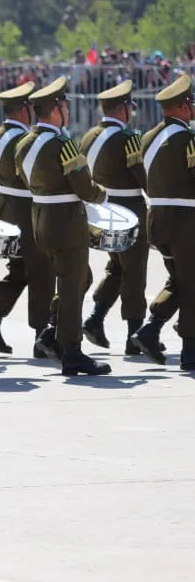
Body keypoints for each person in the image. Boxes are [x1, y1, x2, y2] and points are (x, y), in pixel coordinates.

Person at [14, 77, 110, 375]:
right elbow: (84, 187)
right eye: (64, 105)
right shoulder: (63, 144)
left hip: (40, 220)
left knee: (80, 279)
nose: (67, 109)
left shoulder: (24, 144)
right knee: (71, 285)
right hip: (66, 223)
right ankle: (72, 351)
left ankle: (51, 332)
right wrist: (101, 193)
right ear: (55, 110)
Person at [0, 82, 54, 355]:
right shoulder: (23, 140)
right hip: (26, 212)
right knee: (42, 273)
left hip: (6, 211)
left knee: (19, 272)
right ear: (23, 110)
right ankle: (42, 336)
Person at [79, 81, 150, 354]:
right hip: (128, 210)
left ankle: (96, 318)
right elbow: (141, 175)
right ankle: (134, 334)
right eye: (128, 108)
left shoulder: (89, 136)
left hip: (101, 210)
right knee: (134, 271)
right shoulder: (128, 138)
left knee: (117, 268)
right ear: (122, 109)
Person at [130, 74, 195, 368]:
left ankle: (151, 328)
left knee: (180, 279)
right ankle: (190, 352)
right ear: (183, 107)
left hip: (156, 218)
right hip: (184, 220)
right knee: (191, 283)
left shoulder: (148, 137)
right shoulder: (187, 139)